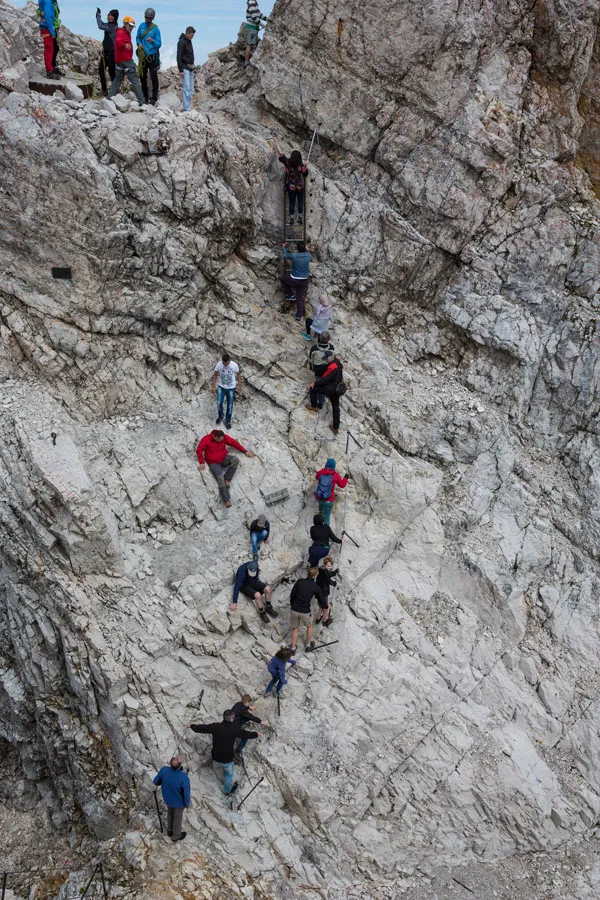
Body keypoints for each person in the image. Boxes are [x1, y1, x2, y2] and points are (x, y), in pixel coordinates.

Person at [187, 711, 259, 796]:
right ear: (232, 719)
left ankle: (220, 775)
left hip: (215, 757)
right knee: (229, 774)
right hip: (227, 759)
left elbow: (202, 728)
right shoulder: (234, 729)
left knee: (219, 768)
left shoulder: (216, 726)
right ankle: (227, 790)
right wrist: (256, 734)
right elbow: (246, 734)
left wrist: (191, 726)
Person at [196, 429, 254, 508]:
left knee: (235, 460)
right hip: (213, 463)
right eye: (219, 440)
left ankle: (227, 479)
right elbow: (199, 450)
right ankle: (226, 499)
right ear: (215, 437)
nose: (221, 441)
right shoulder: (206, 439)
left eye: (222, 440)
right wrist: (201, 461)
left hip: (223, 458)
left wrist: (245, 451)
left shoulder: (224, 437)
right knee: (220, 479)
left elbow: (234, 443)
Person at [108, 16, 146, 105]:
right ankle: (142, 101)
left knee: (117, 80)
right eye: (130, 26)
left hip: (119, 61)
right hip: (126, 60)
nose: (131, 28)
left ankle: (109, 98)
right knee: (135, 80)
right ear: (125, 24)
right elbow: (118, 41)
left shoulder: (124, 32)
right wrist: (125, 45)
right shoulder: (121, 32)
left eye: (132, 26)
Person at [153, 755, 191, 842]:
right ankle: (176, 836)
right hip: (178, 802)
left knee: (170, 813)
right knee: (177, 818)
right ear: (180, 765)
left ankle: (169, 831)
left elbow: (156, 781)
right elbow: (186, 794)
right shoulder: (184, 778)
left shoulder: (164, 770)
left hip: (168, 799)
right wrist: (187, 804)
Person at [305, 352, 345, 435]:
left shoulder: (332, 367)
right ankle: (335, 427)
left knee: (313, 389)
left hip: (330, 389)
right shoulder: (337, 362)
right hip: (337, 388)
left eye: (327, 359)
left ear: (331, 357)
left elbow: (325, 379)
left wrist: (315, 384)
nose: (326, 361)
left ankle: (314, 406)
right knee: (335, 407)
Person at [290, 568, 326, 653]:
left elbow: (292, 595)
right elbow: (321, 599)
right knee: (309, 626)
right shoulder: (315, 587)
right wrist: (326, 606)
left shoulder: (299, 582)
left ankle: (293, 648)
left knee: (295, 628)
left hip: (294, 609)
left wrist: (293, 605)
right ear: (314, 576)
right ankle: (308, 645)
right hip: (305, 611)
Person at [275, 139, 309, 226]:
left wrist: (276, 142)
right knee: (300, 202)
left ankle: (291, 219)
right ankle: (300, 217)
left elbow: (281, 154)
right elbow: (305, 173)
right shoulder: (300, 167)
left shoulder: (287, 163)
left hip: (291, 186)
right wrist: (307, 164)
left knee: (292, 203)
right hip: (299, 186)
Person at [281, 242, 312, 322]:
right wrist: (307, 250)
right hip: (303, 281)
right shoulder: (308, 255)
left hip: (294, 279)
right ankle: (298, 316)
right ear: (304, 248)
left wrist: (283, 247)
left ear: (297, 249)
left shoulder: (294, 255)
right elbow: (309, 255)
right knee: (300, 299)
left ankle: (290, 295)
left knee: (283, 279)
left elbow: (285, 255)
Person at [136, 7, 161, 105]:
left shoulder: (155, 29)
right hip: (143, 56)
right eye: (146, 17)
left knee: (154, 76)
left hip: (152, 56)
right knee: (142, 76)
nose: (147, 19)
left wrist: (153, 41)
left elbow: (159, 44)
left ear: (152, 18)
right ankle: (145, 97)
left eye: (149, 18)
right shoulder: (141, 26)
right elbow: (138, 37)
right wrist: (139, 44)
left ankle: (154, 98)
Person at [313, 458, 349, 525]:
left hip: (320, 498)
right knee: (327, 517)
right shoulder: (335, 475)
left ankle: (319, 521)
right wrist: (345, 478)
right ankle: (326, 530)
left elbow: (316, 477)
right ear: (334, 466)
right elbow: (342, 485)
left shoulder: (320, 472)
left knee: (321, 511)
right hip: (329, 500)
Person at [211, 353, 241, 429]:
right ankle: (220, 416)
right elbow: (214, 375)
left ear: (229, 361)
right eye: (223, 363)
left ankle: (227, 420)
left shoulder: (234, 365)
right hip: (221, 386)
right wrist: (213, 387)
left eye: (226, 363)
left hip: (231, 388)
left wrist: (239, 386)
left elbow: (238, 375)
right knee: (219, 402)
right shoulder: (219, 365)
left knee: (230, 405)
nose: (225, 365)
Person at [231, 694, 262, 761]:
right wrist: (261, 721)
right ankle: (236, 753)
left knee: (246, 718)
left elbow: (242, 709)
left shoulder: (238, 704)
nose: (249, 704)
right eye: (249, 703)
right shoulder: (243, 710)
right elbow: (250, 717)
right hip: (234, 727)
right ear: (246, 702)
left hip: (232, 722)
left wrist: (249, 708)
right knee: (245, 737)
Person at [309, 331, 335, 408]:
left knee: (318, 383)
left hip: (318, 369)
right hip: (327, 368)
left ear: (319, 338)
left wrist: (312, 368)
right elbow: (332, 358)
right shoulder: (331, 348)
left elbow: (311, 360)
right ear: (328, 340)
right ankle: (322, 400)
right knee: (324, 383)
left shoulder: (314, 348)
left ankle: (319, 402)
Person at [96, 8, 119, 95]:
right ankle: (105, 91)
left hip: (112, 53)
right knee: (101, 70)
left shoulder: (113, 27)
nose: (108, 16)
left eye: (111, 15)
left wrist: (98, 16)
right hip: (105, 52)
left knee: (111, 71)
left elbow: (100, 26)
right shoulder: (110, 25)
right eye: (108, 15)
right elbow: (102, 24)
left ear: (115, 17)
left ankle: (114, 91)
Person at [38, 0, 62, 80]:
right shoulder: (48, 2)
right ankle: (49, 71)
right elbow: (48, 17)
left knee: (53, 48)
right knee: (49, 50)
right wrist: (52, 32)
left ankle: (52, 68)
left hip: (48, 27)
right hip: (47, 28)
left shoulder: (51, 2)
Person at [315, 557, 339, 627]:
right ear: (324, 565)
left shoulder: (321, 569)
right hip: (323, 592)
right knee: (325, 607)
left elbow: (329, 574)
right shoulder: (324, 572)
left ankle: (318, 618)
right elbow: (328, 579)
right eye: (328, 566)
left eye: (331, 566)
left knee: (321, 606)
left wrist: (335, 572)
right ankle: (325, 620)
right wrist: (334, 583)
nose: (330, 567)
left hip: (319, 591)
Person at [177, 26, 196, 111]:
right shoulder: (182, 42)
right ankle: (186, 107)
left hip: (191, 68)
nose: (192, 37)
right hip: (184, 68)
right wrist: (180, 70)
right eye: (191, 35)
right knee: (187, 88)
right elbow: (179, 56)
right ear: (187, 33)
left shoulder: (189, 41)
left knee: (191, 89)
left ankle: (188, 106)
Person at [245, 0, 268, 68]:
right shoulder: (252, 2)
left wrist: (267, 19)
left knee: (252, 44)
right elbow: (254, 17)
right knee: (250, 45)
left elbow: (259, 14)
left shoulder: (254, 3)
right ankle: (246, 63)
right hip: (251, 27)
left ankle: (248, 62)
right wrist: (261, 24)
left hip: (254, 28)